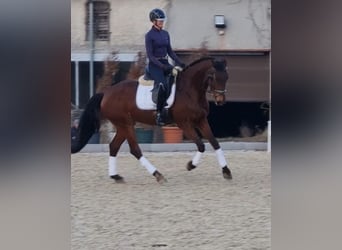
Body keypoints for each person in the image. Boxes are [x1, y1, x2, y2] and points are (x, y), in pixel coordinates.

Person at [145, 8, 186, 126]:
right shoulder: (149, 36)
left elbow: (170, 52)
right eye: (159, 20)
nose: (162, 22)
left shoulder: (165, 34)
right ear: (153, 21)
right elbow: (150, 56)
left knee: (177, 78)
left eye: (163, 20)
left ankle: (173, 106)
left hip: (165, 62)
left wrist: (179, 62)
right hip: (154, 65)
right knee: (162, 85)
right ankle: (158, 113)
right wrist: (162, 67)